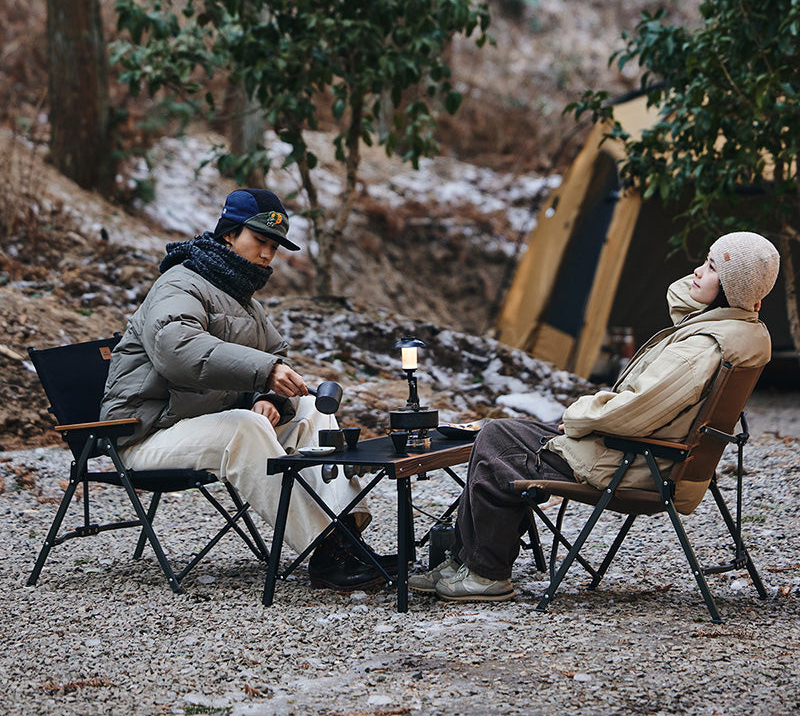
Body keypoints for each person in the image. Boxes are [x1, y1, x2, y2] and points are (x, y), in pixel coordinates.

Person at [410, 231, 781, 602]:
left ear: (732, 288)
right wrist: (728, 285)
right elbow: (680, 296)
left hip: (634, 459)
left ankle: (485, 572)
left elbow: (634, 412)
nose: (697, 272)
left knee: (496, 440)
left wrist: (577, 416)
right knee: (505, 435)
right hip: (658, 455)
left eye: (711, 267)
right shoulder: (743, 329)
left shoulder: (700, 347)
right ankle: (467, 560)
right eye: (704, 261)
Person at [100, 188, 380, 592]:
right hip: (145, 435)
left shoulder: (244, 300)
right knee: (242, 428)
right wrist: (263, 374)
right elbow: (176, 351)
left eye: (274, 246)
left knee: (310, 408)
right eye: (260, 241)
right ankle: (326, 551)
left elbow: (274, 352)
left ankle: (348, 537)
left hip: (199, 425)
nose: (268, 255)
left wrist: (267, 398)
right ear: (230, 234)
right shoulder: (179, 284)